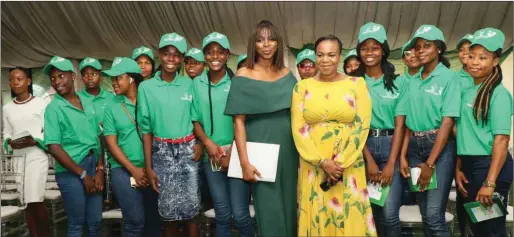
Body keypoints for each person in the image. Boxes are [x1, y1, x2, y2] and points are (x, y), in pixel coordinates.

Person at [292, 34, 374, 236]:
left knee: (349, 212)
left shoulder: (357, 84)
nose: (325, 60)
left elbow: (362, 125)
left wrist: (340, 163)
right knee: (317, 211)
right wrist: (322, 162)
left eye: (331, 55)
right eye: (320, 55)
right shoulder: (302, 87)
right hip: (313, 163)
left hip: (349, 163)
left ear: (340, 56)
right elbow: (298, 129)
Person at [224, 20, 298, 237]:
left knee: (289, 206)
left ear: (278, 43)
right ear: (252, 44)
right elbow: (238, 122)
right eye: (260, 40)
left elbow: (298, 115)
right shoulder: (243, 75)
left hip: (289, 150)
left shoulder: (287, 74)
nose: (266, 45)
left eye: (271, 39)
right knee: (269, 210)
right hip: (260, 151)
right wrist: (245, 162)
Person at [137, 32, 203, 237]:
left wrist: (200, 142)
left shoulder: (189, 84)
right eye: (167, 53)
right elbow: (146, 130)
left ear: (182, 58)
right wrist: (148, 167)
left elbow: (197, 118)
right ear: (159, 55)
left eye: (176, 55)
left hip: (188, 149)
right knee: (168, 214)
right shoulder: (146, 87)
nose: (171, 59)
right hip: (161, 150)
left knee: (192, 210)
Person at [398, 25, 460, 237]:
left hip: (439, 147)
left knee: (434, 216)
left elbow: (447, 122)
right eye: (417, 47)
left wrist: (430, 163)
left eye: (427, 46)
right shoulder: (412, 81)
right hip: (414, 149)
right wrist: (403, 155)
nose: (420, 50)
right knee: (425, 213)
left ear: (439, 49)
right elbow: (408, 122)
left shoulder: (449, 78)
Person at [191, 32, 254, 237]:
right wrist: (208, 143)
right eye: (209, 52)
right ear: (204, 56)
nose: (214, 56)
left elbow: (244, 122)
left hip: (237, 153)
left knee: (241, 213)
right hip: (212, 157)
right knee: (223, 214)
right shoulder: (197, 83)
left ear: (227, 55)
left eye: (220, 52)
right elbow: (195, 120)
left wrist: (233, 153)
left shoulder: (238, 82)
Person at [455, 28, 513, 237]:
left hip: (490, 165)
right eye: (471, 56)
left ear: (496, 61)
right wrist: (459, 166)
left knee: (490, 230)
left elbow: (501, 139)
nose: (475, 62)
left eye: (483, 57)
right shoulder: (468, 89)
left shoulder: (499, 94)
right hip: (470, 165)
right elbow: (464, 132)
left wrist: (490, 183)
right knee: (478, 228)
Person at [352, 22, 407, 237]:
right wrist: (369, 161)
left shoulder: (398, 83)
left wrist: (391, 164)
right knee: (368, 212)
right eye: (364, 48)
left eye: (374, 47)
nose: (369, 52)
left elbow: (400, 125)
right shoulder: (354, 83)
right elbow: (354, 125)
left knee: (390, 213)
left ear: (383, 50)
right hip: (362, 147)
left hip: (390, 146)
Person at [43, 56, 105, 237]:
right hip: (71, 171)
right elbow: (54, 147)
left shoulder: (87, 101)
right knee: (77, 224)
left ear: (72, 76)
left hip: (93, 165)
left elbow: (98, 137)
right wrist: (82, 174)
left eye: (61, 76)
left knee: (95, 222)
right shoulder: (53, 109)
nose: (56, 82)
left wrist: (99, 169)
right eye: (53, 78)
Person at [103, 57, 162, 237]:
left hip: (152, 168)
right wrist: (133, 170)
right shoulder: (111, 106)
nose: (114, 82)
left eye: (118, 78)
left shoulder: (149, 100)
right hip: (123, 170)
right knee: (135, 222)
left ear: (131, 79)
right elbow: (111, 143)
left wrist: (148, 168)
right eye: (112, 79)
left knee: (154, 221)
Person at [3, 67, 51, 237]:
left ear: (28, 81)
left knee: (36, 200)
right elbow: (7, 132)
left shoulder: (41, 103)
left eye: (19, 79)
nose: (15, 82)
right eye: (11, 79)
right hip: (18, 158)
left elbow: (48, 130)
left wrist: (35, 140)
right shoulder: (7, 108)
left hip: (37, 156)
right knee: (26, 203)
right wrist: (9, 141)